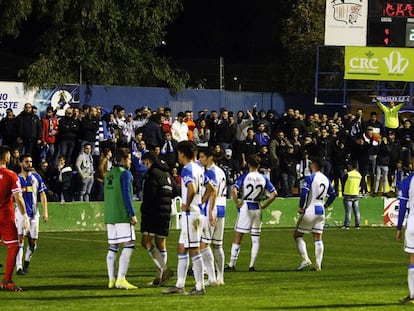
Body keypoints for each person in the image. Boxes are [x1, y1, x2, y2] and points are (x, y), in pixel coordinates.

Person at [162, 141, 206, 295]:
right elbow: (208, 188)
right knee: (182, 247)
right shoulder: (200, 168)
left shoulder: (187, 169)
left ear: (182, 153)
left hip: (191, 215)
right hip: (196, 213)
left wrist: (187, 204)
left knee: (194, 249)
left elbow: (192, 188)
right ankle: (179, 285)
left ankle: (200, 286)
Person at [224, 154, 277, 272]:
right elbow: (274, 194)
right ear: (258, 165)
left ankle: (232, 264)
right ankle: (251, 265)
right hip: (257, 207)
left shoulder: (245, 176)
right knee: (255, 237)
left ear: (248, 164)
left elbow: (234, 189)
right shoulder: (264, 178)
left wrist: (237, 203)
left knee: (238, 235)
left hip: (246, 206)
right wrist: (265, 205)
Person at [294, 157, 337, 272]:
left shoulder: (310, 178)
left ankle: (305, 259)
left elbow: (304, 193)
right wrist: (326, 205)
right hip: (320, 210)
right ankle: (318, 264)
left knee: (297, 235)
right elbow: (333, 194)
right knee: (317, 237)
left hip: (310, 209)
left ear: (313, 165)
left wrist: (301, 207)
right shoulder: (325, 179)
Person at [104, 147, 138, 290]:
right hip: (121, 214)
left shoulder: (109, 174)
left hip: (110, 214)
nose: (130, 161)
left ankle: (111, 280)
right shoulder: (126, 174)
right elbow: (126, 195)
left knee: (113, 247)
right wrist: (132, 213)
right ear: (124, 159)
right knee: (129, 245)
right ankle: (121, 278)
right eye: (129, 158)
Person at [140, 151, 174, 286]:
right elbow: (175, 191)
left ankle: (164, 269)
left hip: (154, 212)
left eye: (144, 163)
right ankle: (160, 278)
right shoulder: (167, 173)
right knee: (161, 243)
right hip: (166, 211)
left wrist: (145, 210)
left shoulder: (151, 174)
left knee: (146, 241)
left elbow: (150, 195)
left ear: (148, 161)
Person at [0, 145, 30, 291]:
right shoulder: (11, 175)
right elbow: (18, 197)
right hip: (5, 215)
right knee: (14, 246)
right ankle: (6, 281)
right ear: (6, 157)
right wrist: (24, 216)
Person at [15, 154, 48, 275]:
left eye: (30, 161)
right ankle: (18, 267)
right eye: (26, 162)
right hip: (20, 213)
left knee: (33, 244)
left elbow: (42, 194)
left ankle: (27, 261)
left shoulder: (36, 177)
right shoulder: (16, 179)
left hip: (34, 214)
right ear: (20, 163)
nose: (29, 164)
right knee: (20, 240)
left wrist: (45, 212)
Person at [198, 147, 227, 286]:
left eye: (202, 157)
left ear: (210, 157)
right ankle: (220, 277)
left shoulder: (209, 172)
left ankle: (211, 277)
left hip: (212, 208)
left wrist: (209, 211)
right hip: (222, 207)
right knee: (218, 245)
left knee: (203, 244)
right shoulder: (221, 171)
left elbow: (213, 192)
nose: (200, 160)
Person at [396, 160, 414, 303]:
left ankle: (413, 295)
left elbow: (402, 205)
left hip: (413, 224)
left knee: (413, 260)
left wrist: (399, 228)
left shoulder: (408, 181)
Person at [341, 160, 362, 230]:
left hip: (348, 193)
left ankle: (347, 225)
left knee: (348, 211)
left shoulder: (348, 174)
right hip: (356, 193)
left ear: (351, 166)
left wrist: (343, 192)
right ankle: (358, 225)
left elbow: (343, 183)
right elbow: (361, 184)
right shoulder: (359, 175)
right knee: (357, 211)